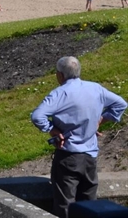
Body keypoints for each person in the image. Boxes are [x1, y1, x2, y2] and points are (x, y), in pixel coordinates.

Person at [30, 56, 126, 218]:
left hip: (68, 156)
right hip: (90, 158)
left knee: (65, 205)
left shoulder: (60, 94)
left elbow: (37, 116)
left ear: (60, 75)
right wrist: (99, 121)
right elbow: (121, 104)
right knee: (90, 206)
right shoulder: (96, 89)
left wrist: (52, 129)